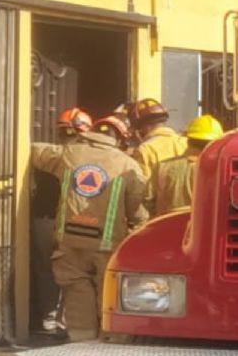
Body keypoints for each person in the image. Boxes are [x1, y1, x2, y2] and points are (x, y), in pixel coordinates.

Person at [29, 123, 147, 341]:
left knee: (76, 290)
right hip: (107, 244)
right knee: (109, 291)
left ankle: (82, 341)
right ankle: (111, 340)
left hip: (70, 239)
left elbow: (34, 151)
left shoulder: (69, 153)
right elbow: (134, 205)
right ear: (120, 139)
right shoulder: (128, 164)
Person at [30, 107, 93, 334]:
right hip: (68, 221)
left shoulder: (48, 156)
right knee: (72, 270)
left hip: (47, 219)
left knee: (49, 269)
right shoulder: (85, 159)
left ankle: (52, 317)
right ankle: (64, 318)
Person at [148, 114, 225, 217]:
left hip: (168, 229)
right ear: (216, 143)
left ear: (188, 140)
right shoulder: (221, 169)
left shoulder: (162, 167)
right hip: (206, 231)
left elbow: (148, 200)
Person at [130, 97, 187, 190]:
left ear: (144, 127)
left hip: (161, 203)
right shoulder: (184, 142)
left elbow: (144, 187)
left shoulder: (145, 149)